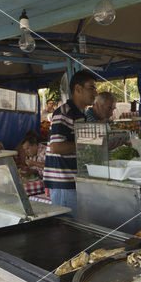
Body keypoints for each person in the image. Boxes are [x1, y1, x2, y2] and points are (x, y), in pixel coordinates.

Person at [43, 70, 98, 216]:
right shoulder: (64, 112)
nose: (95, 93)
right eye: (91, 88)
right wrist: (91, 144)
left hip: (76, 182)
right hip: (64, 184)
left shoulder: (82, 115)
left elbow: (82, 146)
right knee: (68, 231)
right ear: (78, 89)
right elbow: (56, 147)